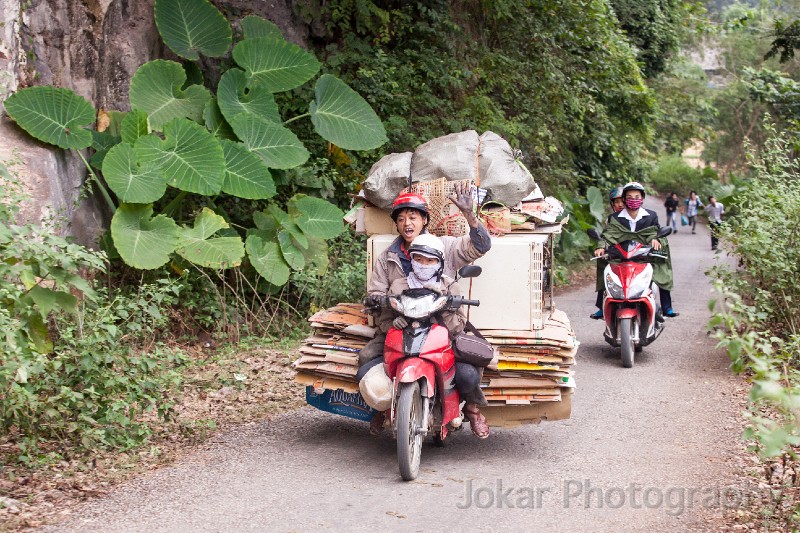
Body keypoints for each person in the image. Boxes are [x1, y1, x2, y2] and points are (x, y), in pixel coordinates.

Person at [362, 184, 492, 435]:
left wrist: (470, 215)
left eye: (413, 217)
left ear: (424, 220)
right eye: (401, 219)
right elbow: (375, 294)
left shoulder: (446, 246)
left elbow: (481, 246)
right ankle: (382, 407)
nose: (407, 223)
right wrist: (386, 312)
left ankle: (473, 409)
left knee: (467, 373)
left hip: (442, 326)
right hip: (400, 325)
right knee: (368, 359)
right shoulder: (388, 257)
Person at [603, 182, 679, 318]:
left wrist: (656, 239)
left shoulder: (651, 216)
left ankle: (667, 307)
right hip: (621, 255)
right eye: (630, 197)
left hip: (644, 255)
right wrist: (599, 247)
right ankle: (602, 306)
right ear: (625, 199)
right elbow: (607, 235)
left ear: (642, 199)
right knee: (606, 272)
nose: (633, 200)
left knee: (662, 271)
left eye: (637, 197)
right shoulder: (614, 218)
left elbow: (655, 231)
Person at [590, 186, 624, 319]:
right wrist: (601, 247)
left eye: (622, 201)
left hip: (634, 253)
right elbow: (605, 237)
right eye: (616, 202)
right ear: (612, 204)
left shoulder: (637, 217)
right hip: (616, 253)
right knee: (604, 268)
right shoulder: (611, 219)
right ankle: (602, 305)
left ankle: (655, 306)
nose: (620, 204)